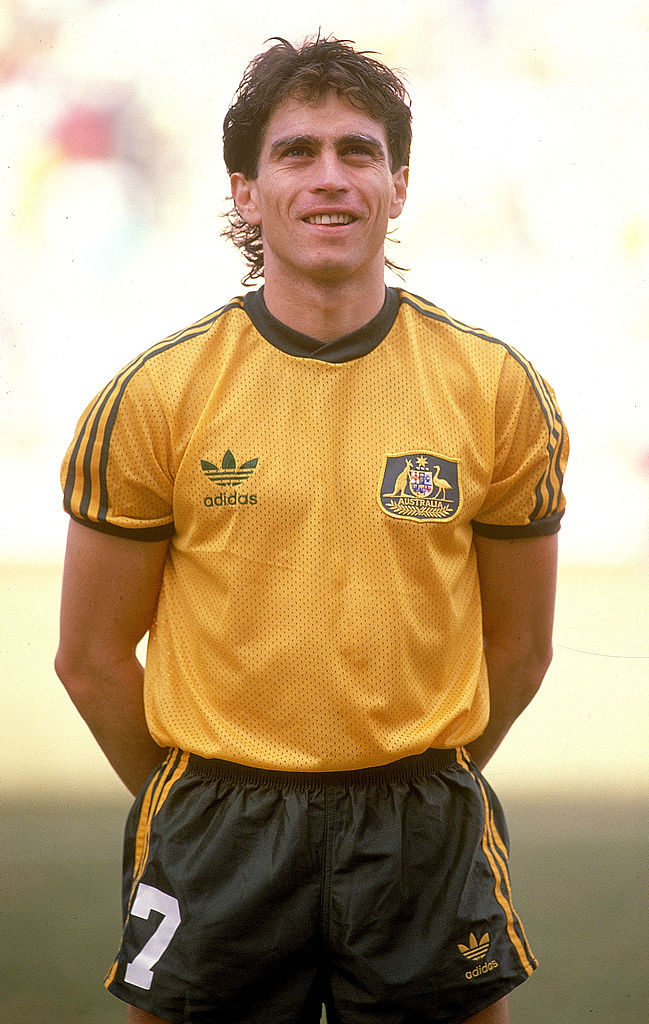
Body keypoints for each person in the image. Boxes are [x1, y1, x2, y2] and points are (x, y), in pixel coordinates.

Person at [55, 34, 568, 1024]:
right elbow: (91, 656)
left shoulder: (495, 390)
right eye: (296, 153)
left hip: (420, 823)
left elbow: (521, 642)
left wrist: (416, 772)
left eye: (357, 150)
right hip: (219, 827)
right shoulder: (155, 395)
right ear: (245, 191)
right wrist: (205, 798)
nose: (328, 177)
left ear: (398, 183)